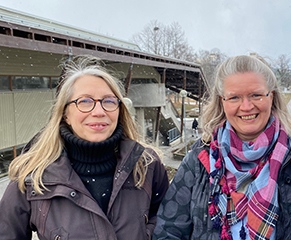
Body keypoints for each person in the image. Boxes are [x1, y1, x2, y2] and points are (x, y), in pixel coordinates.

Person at [153, 55, 291, 239]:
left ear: (271, 97)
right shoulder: (198, 160)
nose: (246, 106)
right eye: (234, 97)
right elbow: (169, 231)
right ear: (222, 102)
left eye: (256, 95)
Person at [0, 55, 169, 239]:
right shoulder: (32, 174)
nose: (99, 111)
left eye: (109, 101)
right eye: (85, 101)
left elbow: (167, 223)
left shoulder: (147, 165)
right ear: (65, 114)